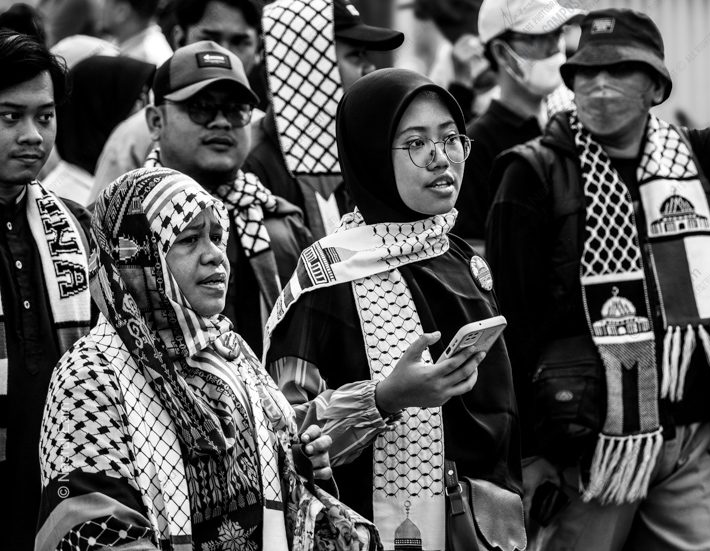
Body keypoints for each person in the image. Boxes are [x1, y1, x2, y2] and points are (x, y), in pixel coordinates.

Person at [486, 8, 710, 550]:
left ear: (654, 85)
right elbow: (510, 327)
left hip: (691, 437)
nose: (600, 87)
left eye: (618, 72)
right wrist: (529, 455)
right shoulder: (530, 175)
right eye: (587, 73)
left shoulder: (688, 161)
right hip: (591, 451)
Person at [36, 167, 379, 551]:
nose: (215, 255)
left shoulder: (229, 352)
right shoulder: (91, 374)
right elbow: (94, 531)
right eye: (188, 239)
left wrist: (298, 463)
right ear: (138, 257)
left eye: (217, 237)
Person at [265, 68, 524, 550]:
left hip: (479, 525)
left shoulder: (459, 256)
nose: (440, 159)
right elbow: (282, 433)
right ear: (370, 156)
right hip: (364, 530)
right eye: (415, 144)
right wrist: (384, 398)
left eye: (451, 139)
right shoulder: (329, 276)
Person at [144, 40, 311, 357]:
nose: (221, 122)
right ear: (155, 121)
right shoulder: (126, 223)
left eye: (236, 110)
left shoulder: (282, 225)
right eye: (202, 107)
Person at [0, 31, 93, 550]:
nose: (33, 135)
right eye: (10, 117)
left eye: (45, 115)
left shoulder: (74, 228)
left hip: (57, 481)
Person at [244, 0, 404, 240]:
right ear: (307, 65)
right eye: (355, 55)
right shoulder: (255, 168)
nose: (369, 67)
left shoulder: (360, 150)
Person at [90, 0, 264, 200]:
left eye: (239, 42)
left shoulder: (268, 135)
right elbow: (103, 218)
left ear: (259, 48)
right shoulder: (135, 136)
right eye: (200, 109)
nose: (222, 51)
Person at [452, 0, 583, 242]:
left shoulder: (573, 126)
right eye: (537, 37)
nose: (553, 47)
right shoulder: (474, 147)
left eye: (558, 33)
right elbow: (471, 251)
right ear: (501, 52)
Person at [43, 55, 155, 206]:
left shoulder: (118, 186)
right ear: (100, 108)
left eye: (146, 96)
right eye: (138, 99)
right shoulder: (65, 205)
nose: (145, 111)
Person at [100, 0, 172, 65]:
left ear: (121, 11)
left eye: (106, 2)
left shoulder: (147, 60)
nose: (102, 6)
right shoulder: (129, 45)